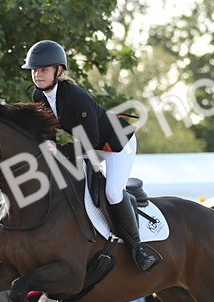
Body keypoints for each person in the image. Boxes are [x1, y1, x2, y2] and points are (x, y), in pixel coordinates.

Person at [23, 39, 161, 273]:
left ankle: (138, 249)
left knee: (112, 191)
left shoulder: (75, 96)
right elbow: (48, 133)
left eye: (43, 69)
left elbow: (92, 142)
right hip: (88, 145)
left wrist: (60, 151)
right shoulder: (39, 96)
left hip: (117, 144)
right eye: (35, 70)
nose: (37, 74)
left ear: (58, 71)